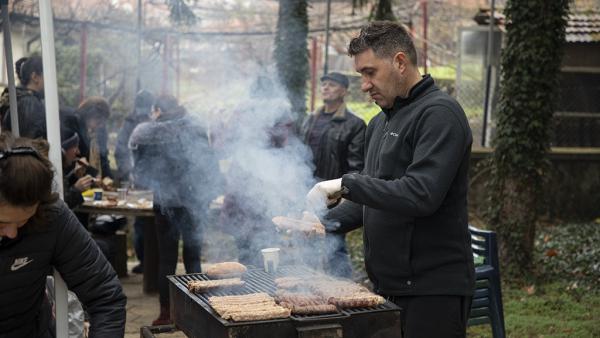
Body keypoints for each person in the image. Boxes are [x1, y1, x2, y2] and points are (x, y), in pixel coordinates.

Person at [307, 21, 475, 338]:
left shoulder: (440, 114)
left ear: (399, 62)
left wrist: (346, 183)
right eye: (361, 75)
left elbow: (420, 194)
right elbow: (372, 201)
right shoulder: (379, 124)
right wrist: (320, 221)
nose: (365, 85)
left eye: (370, 72)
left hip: (433, 290)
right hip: (387, 286)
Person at [0, 133, 126, 337]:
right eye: (2, 223)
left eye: (23, 221)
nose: (12, 233)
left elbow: (105, 296)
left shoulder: (51, 215)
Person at [129, 95, 219, 325]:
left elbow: (138, 171)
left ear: (158, 109)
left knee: (167, 260)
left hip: (164, 203)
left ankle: (166, 314)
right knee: (193, 257)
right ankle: (199, 311)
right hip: (193, 201)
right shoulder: (195, 127)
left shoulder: (147, 132)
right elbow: (208, 163)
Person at [299, 72, 366, 278]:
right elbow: (299, 155)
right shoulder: (311, 119)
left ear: (344, 91)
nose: (325, 88)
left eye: (332, 85)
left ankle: (343, 287)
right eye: (324, 84)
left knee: (334, 244)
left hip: (332, 195)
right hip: (307, 192)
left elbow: (356, 167)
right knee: (307, 240)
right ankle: (310, 284)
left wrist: (341, 194)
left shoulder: (354, 124)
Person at [114, 90, 155, 274]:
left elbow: (120, 150)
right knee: (146, 221)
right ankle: (148, 261)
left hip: (147, 181)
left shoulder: (139, 122)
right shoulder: (138, 123)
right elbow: (121, 151)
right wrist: (129, 172)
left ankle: (148, 261)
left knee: (145, 221)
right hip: (145, 180)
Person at [0, 55, 46, 139]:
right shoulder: (29, 103)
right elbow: (27, 143)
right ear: (35, 77)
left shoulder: (18, 98)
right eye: (46, 75)